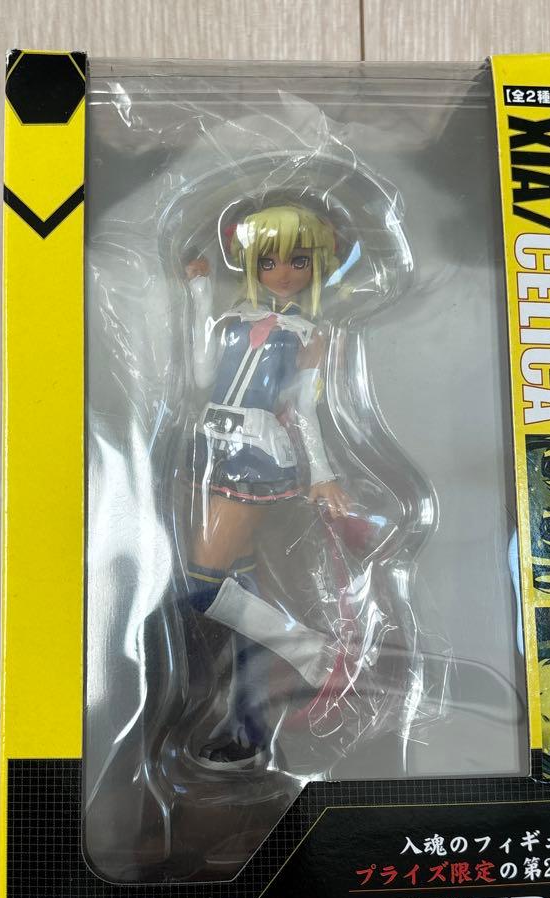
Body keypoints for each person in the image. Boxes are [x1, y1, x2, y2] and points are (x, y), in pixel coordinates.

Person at [181, 204, 354, 767]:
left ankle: (314, 652)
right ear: (252, 263)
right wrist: (199, 295)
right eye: (270, 260)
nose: (283, 272)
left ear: (315, 267)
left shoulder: (308, 334)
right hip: (212, 445)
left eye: (298, 261)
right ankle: (250, 729)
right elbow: (200, 376)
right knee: (242, 592)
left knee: (202, 585)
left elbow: (304, 410)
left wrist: (322, 475)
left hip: (256, 454)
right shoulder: (233, 319)